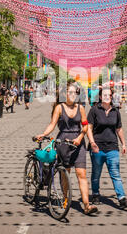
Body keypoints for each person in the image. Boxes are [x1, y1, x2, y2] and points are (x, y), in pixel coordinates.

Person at [35, 81, 98, 215]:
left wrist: (80, 137)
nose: (73, 94)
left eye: (75, 92)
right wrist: (44, 134)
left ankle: (86, 205)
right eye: (70, 92)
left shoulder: (80, 108)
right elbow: (52, 124)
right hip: (63, 143)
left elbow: (85, 125)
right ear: (64, 94)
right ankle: (65, 197)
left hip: (78, 143)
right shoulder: (59, 108)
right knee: (65, 173)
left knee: (82, 174)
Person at [87, 87, 127, 209]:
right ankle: (95, 194)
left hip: (112, 147)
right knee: (96, 174)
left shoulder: (115, 111)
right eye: (105, 95)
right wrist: (92, 143)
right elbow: (89, 128)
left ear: (111, 97)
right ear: (101, 97)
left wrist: (123, 143)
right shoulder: (94, 110)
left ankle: (122, 199)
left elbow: (119, 129)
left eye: (109, 95)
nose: (107, 97)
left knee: (116, 174)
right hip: (97, 148)